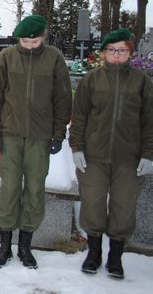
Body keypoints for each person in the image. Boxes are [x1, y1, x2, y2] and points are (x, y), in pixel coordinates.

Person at [0, 15, 72, 269]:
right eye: (24, 41)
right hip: (11, 134)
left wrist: (59, 133)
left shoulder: (54, 58)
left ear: (43, 37)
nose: (29, 45)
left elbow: (62, 97)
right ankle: (5, 245)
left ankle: (25, 244)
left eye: (34, 40)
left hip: (40, 136)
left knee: (35, 189)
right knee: (10, 188)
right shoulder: (6, 58)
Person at [70, 28, 153, 280]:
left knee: (123, 206)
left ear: (130, 52)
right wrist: (77, 148)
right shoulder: (92, 80)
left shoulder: (142, 81)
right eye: (112, 50)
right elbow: (80, 117)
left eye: (122, 50)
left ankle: (115, 256)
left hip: (129, 158)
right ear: (104, 53)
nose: (117, 55)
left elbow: (150, 121)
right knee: (93, 203)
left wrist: (149, 154)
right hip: (94, 156)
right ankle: (93, 252)